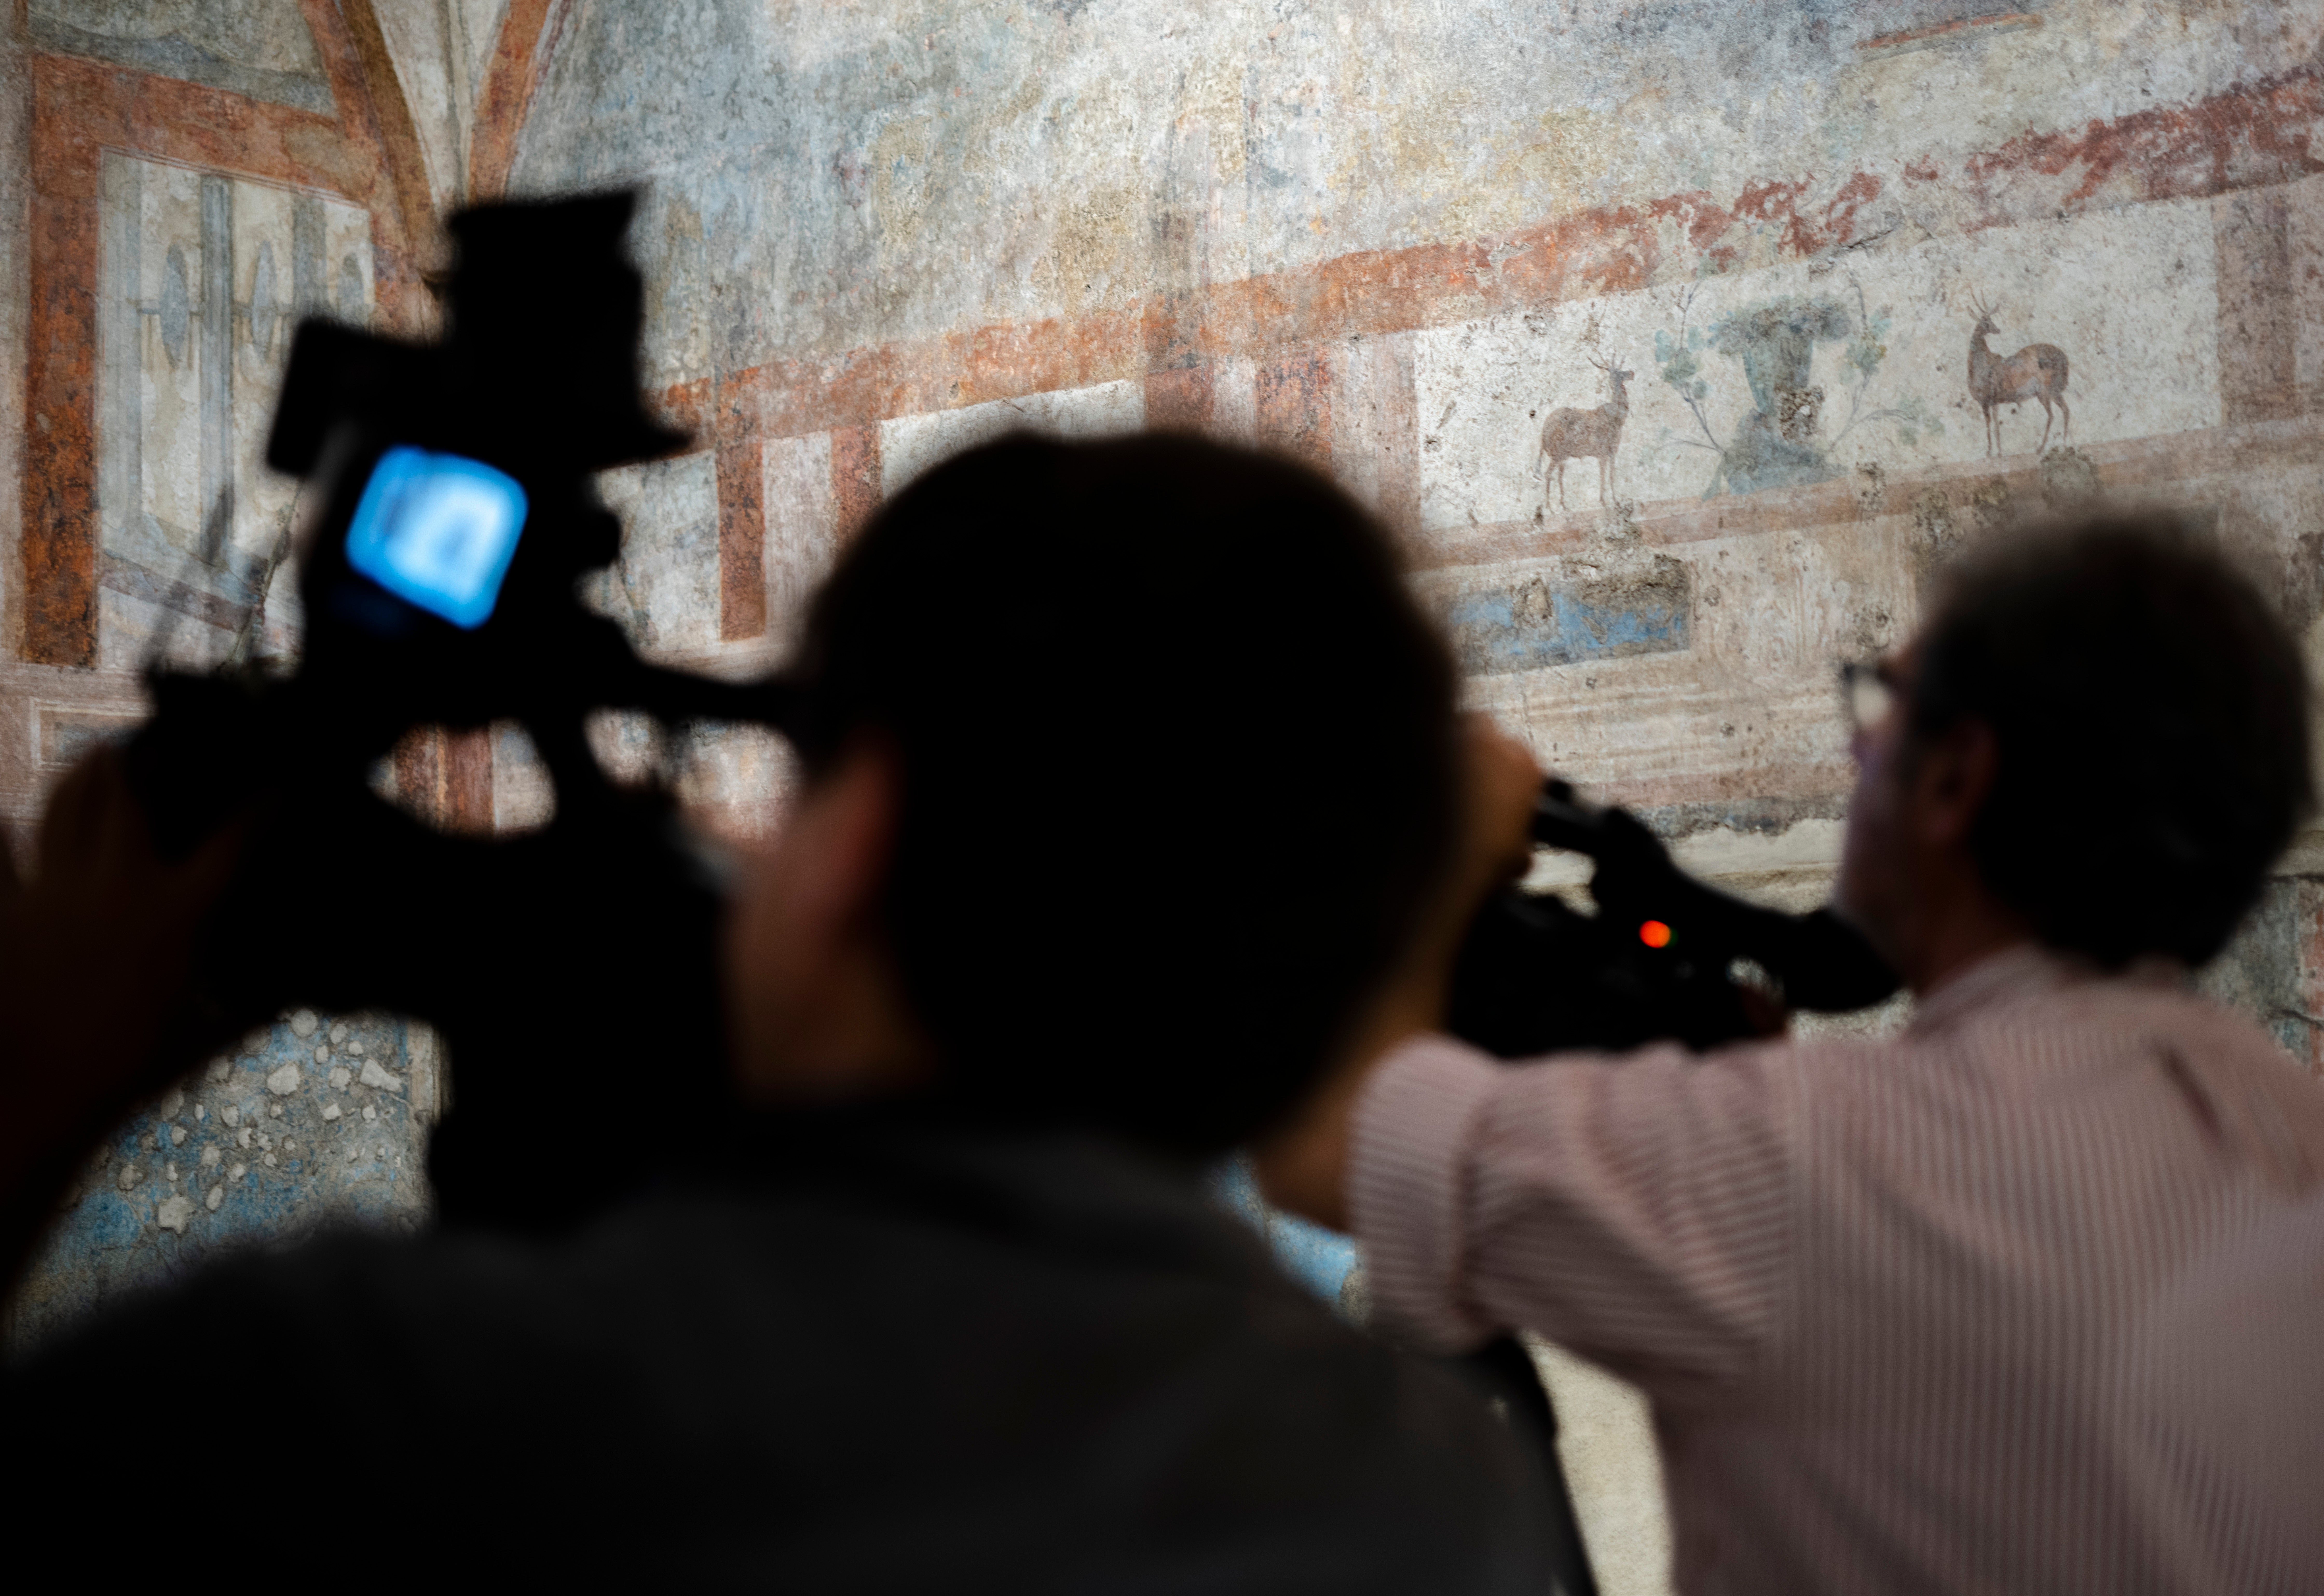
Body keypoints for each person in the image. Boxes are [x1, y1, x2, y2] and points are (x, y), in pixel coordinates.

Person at [0, 433, 1551, 1590]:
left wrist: (41, 1071)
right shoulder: (1430, 1496)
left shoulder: (345, 1414)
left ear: (858, 839)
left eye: (792, 787)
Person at [1258, 514, 2324, 1594]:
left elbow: (1316, 1137)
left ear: (1957, 777)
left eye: (1883, 707)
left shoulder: (1806, 1167)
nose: (1861, 749)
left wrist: (1442, 850)